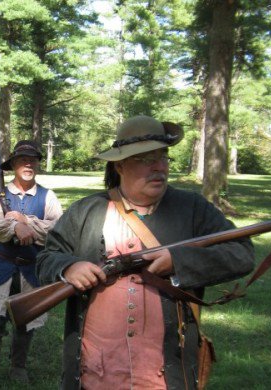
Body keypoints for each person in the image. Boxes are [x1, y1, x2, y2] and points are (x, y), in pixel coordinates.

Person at [36, 116, 255, 389]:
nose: (159, 167)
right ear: (120, 165)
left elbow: (242, 252)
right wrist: (68, 267)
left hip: (164, 371)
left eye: (163, 157)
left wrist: (179, 262)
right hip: (96, 367)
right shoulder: (85, 210)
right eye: (145, 159)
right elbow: (47, 257)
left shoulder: (193, 209)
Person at [0, 140, 63, 390]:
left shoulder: (48, 196)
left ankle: (18, 367)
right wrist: (15, 226)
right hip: (0, 267)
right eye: (23, 160)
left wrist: (24, 220)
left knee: (25, 322)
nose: (28, 163)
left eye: (33, 159)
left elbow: (57, 230)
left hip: (31, 269)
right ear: (13, 165)